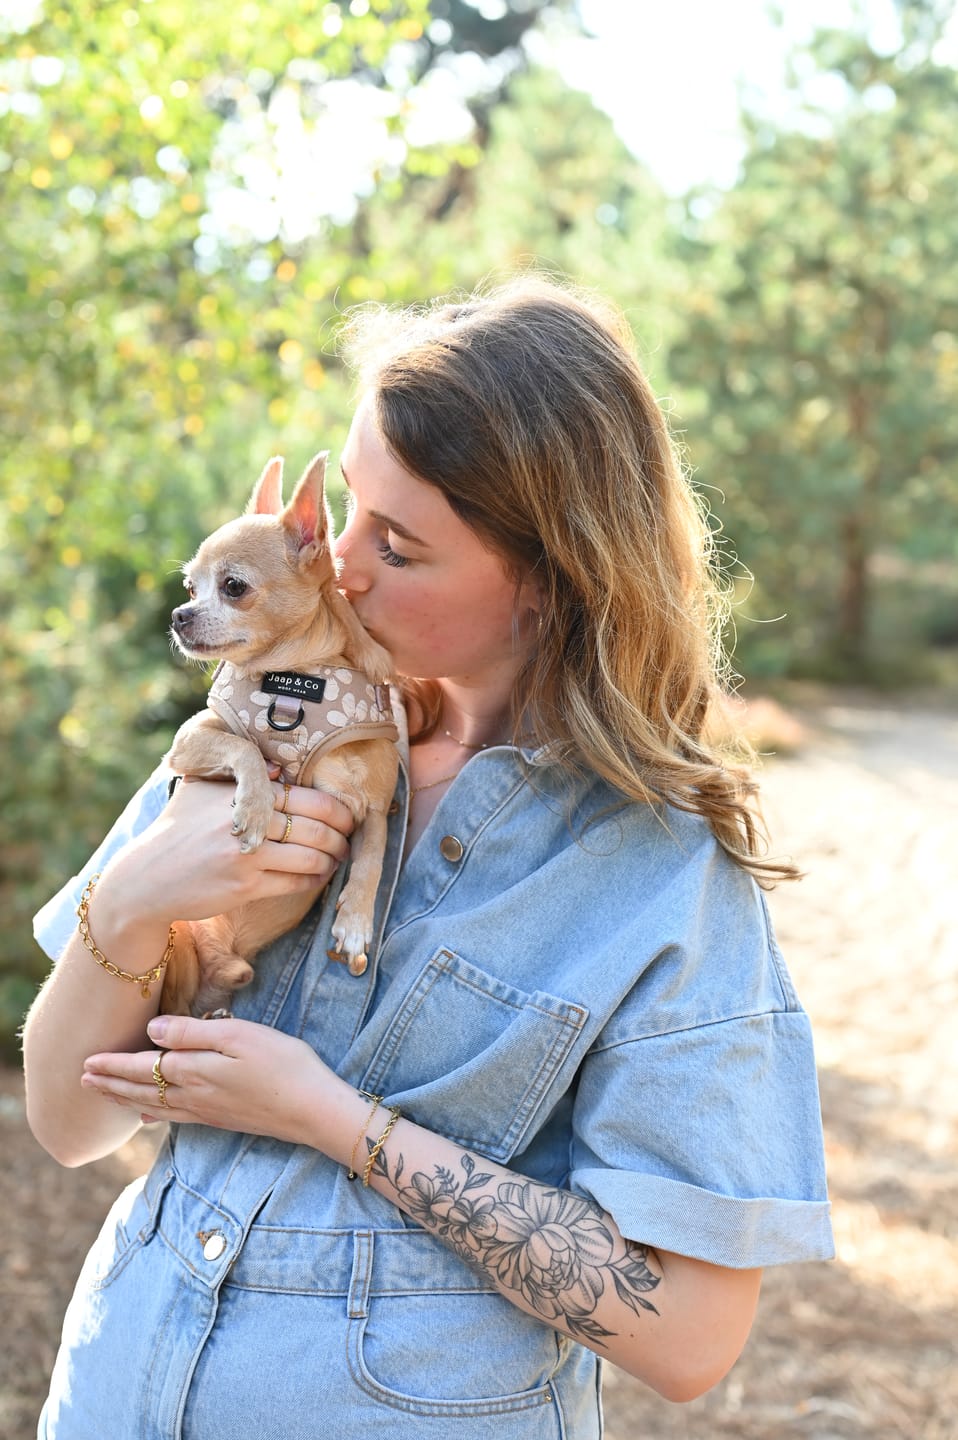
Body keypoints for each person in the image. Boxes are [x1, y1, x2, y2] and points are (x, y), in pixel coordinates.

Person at [24, 275, 834, 1439]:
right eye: (348, 509)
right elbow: (68, 1122)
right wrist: (141, 890)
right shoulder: (268, 717)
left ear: (552, 582)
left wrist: (333, 1120)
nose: (339, 565)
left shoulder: (657, 875)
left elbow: (690, 1336)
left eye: (396, 546)